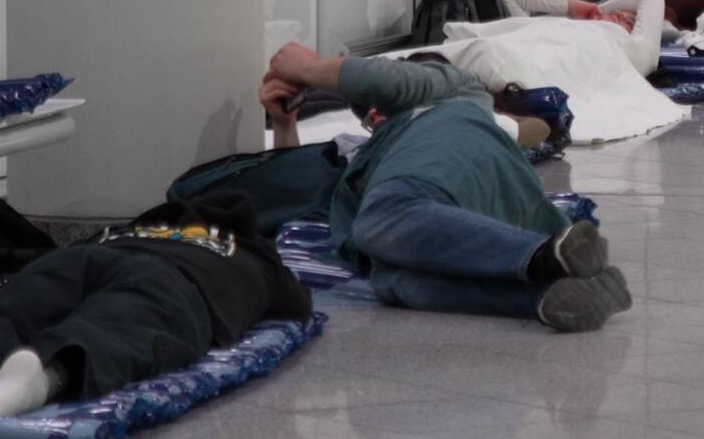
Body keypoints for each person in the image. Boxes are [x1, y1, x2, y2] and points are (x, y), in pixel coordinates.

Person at [259, 43, 632, 332]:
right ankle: (552, 294)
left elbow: (390, 80)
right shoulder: (361, 157)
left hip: (451, 179)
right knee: (394, 280)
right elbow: (299, 186)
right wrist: (283, 124)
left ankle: (543, 255)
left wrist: (306, 67)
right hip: (455, 224)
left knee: (388, 212)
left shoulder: (456, 95)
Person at [0, 190, 312, 415]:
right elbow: (298, 303)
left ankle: (12, 364)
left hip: (94, 254)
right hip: (177, 279)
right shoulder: (253, 253)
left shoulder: (133, 228)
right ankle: (46, 379)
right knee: (117, 325)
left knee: (23, 300)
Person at [494, 0, 664, 77]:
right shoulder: (542, 32)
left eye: (624, 19)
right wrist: (577, 7)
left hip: (522, 69)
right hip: (511, 56)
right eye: (614, 14)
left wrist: (600, 12)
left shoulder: (637, 53)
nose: (617, 14)